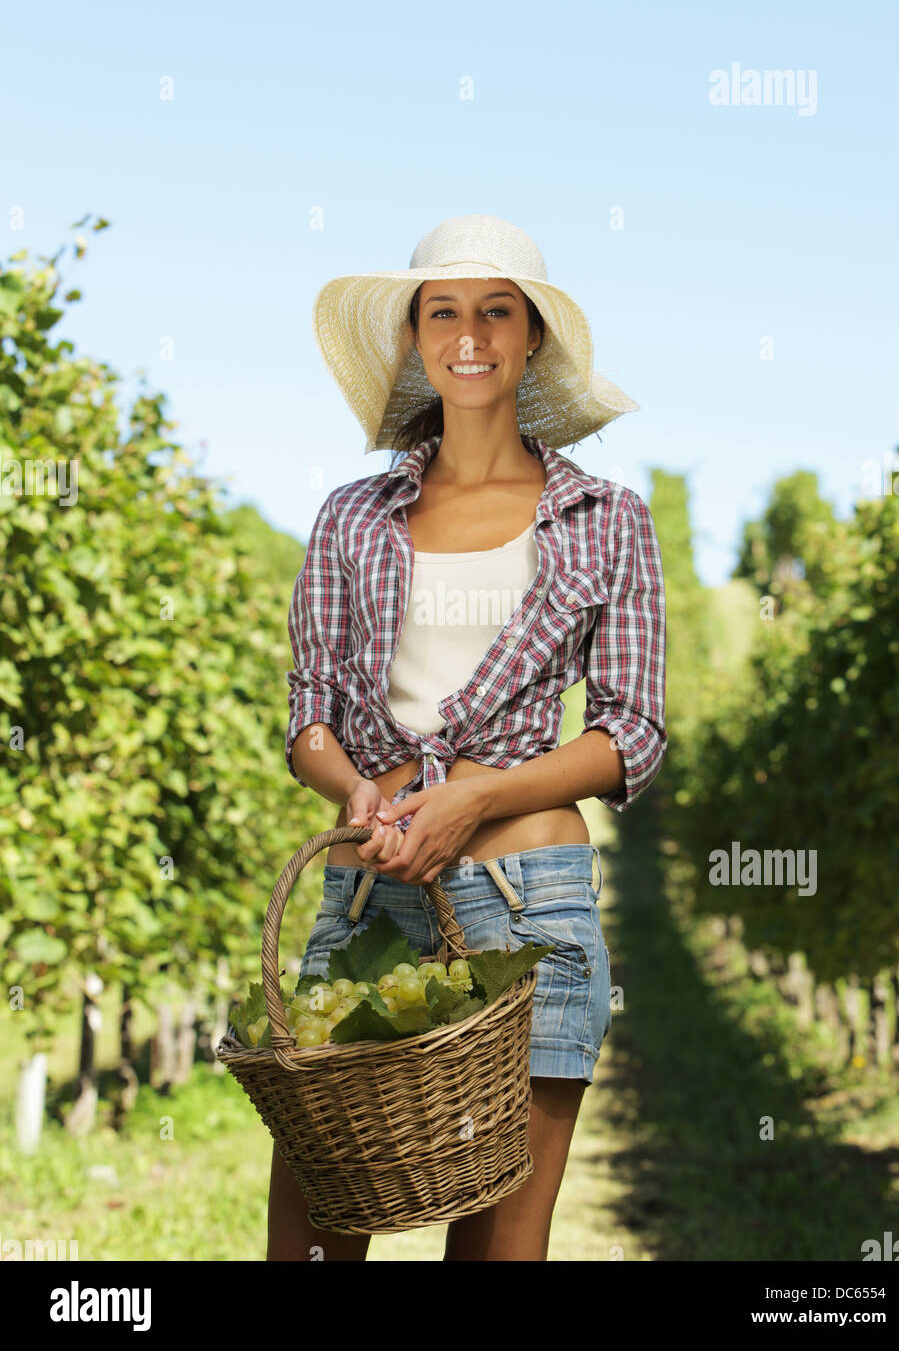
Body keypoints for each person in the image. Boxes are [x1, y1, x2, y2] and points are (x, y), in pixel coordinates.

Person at [267, 214, 667, 1261]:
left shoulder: (605, 518)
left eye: (498, 309)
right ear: (413, 336)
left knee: (497, 1244)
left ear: (532, 335)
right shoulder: (352, 516)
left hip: (531, 900)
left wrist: (475, 798)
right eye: (443, 310)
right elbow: (309, 716)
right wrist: (356, 795)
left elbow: (631, 736)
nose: (471, 332)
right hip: (369, 892)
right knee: (313, 1232)